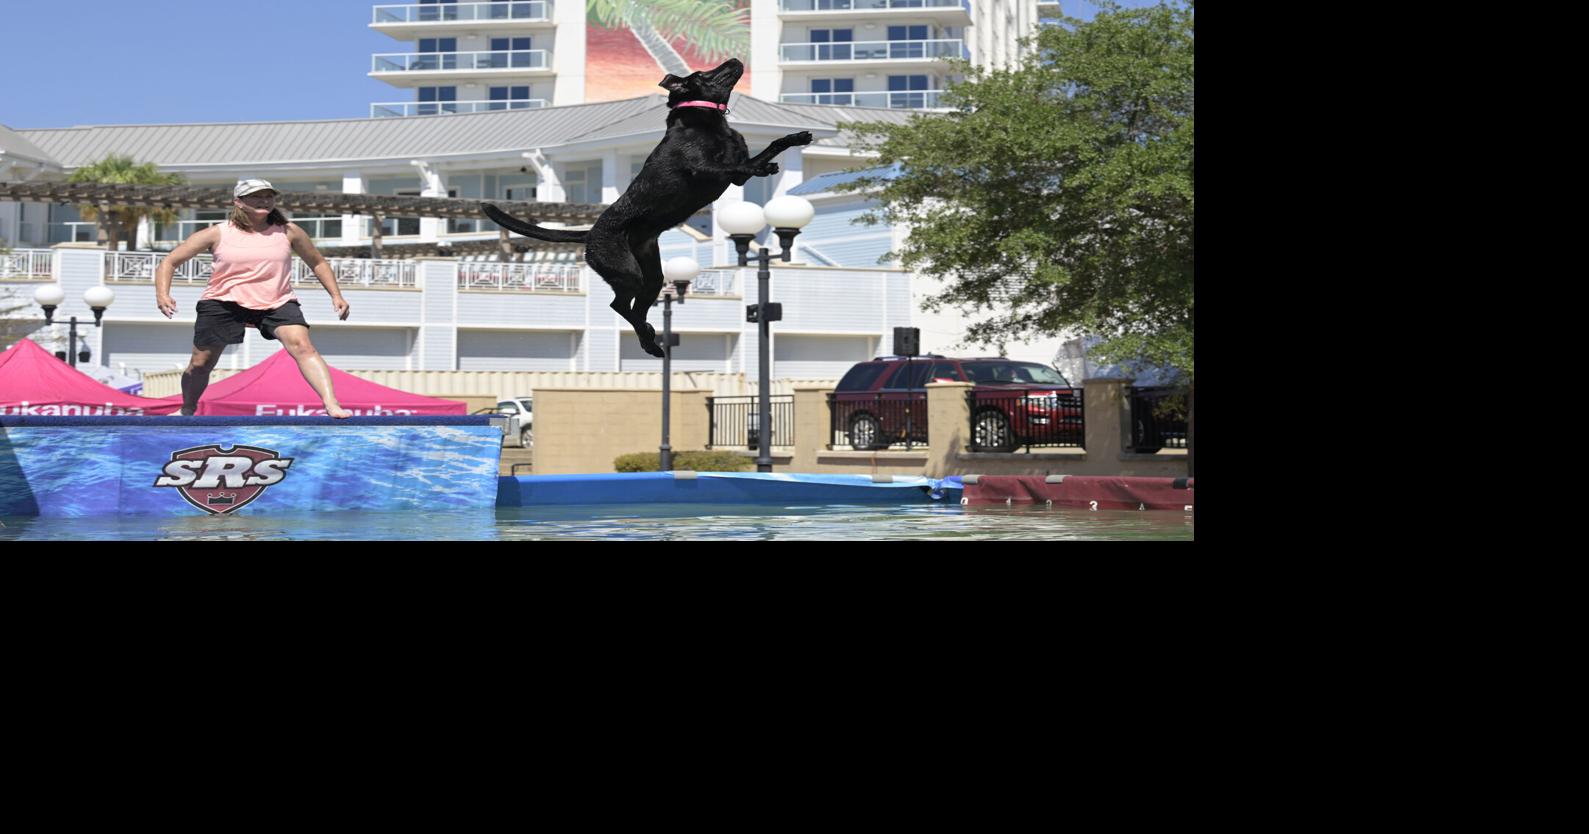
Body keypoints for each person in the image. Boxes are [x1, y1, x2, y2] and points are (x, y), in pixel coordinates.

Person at [155, 178, 353, 418]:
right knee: (201, 363)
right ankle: (187, 408)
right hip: (223, 301)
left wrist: (336, 295)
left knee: (303, 345)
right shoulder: (217, 233)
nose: (264, 201)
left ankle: (331, 404)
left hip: (277, 300)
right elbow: (169, 262)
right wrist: (163, 294)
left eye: (269, 196)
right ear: (238, 202)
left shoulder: (289, 231)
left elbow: (317, 262)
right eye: (256, 196)